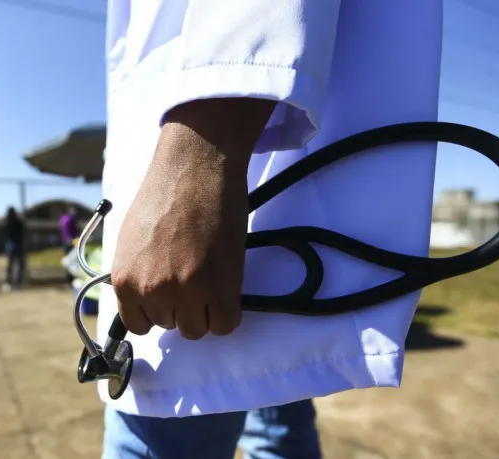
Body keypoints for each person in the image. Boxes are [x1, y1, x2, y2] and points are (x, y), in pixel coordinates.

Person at [98, 1, 443, 458]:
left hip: (213, 154)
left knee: (172, 420)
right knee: (274, 397)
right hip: (241, 177)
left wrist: (200, 150)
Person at [2, 206, 26, 292]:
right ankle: (17, 283)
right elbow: (23, 228)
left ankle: (9, 283)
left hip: (11, 245)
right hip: (16, 245)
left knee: (11, 265)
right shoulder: (17, 222)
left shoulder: (7, 222)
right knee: (19, 265)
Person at [59, 205, 80, 286]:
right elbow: (75, 230)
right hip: (72, 242)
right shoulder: (71, 218)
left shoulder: (62, 218)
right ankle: (72, 279)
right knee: (73, 261)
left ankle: (68, 280)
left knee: (68, 260)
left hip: (65, 242)